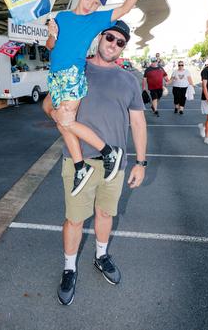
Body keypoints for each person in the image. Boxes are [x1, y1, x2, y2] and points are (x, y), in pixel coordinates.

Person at [52, 20, 147, 306]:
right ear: (100, 37)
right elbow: (53, 101)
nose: (114, 44)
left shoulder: (130, 79)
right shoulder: (77, 68)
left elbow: (138, 122)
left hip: (114, 164)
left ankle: (100, 255)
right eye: (110, 37)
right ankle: (69, 268)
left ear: (124, 48)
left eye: (120, 42)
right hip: (78, 161)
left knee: (105, 214)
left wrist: (141, 162)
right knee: (75, 219)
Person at [43, 0, 156, 196]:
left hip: (72, 76)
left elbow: (124, 9)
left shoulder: (94, 20)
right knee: (61, 123)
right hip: (54, 77)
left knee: (65, 119)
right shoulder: (62, 18)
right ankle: (79, 167)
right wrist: (52, 34)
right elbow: (49, 46)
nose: (90, 5)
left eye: (96, 3)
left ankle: (108, 151)